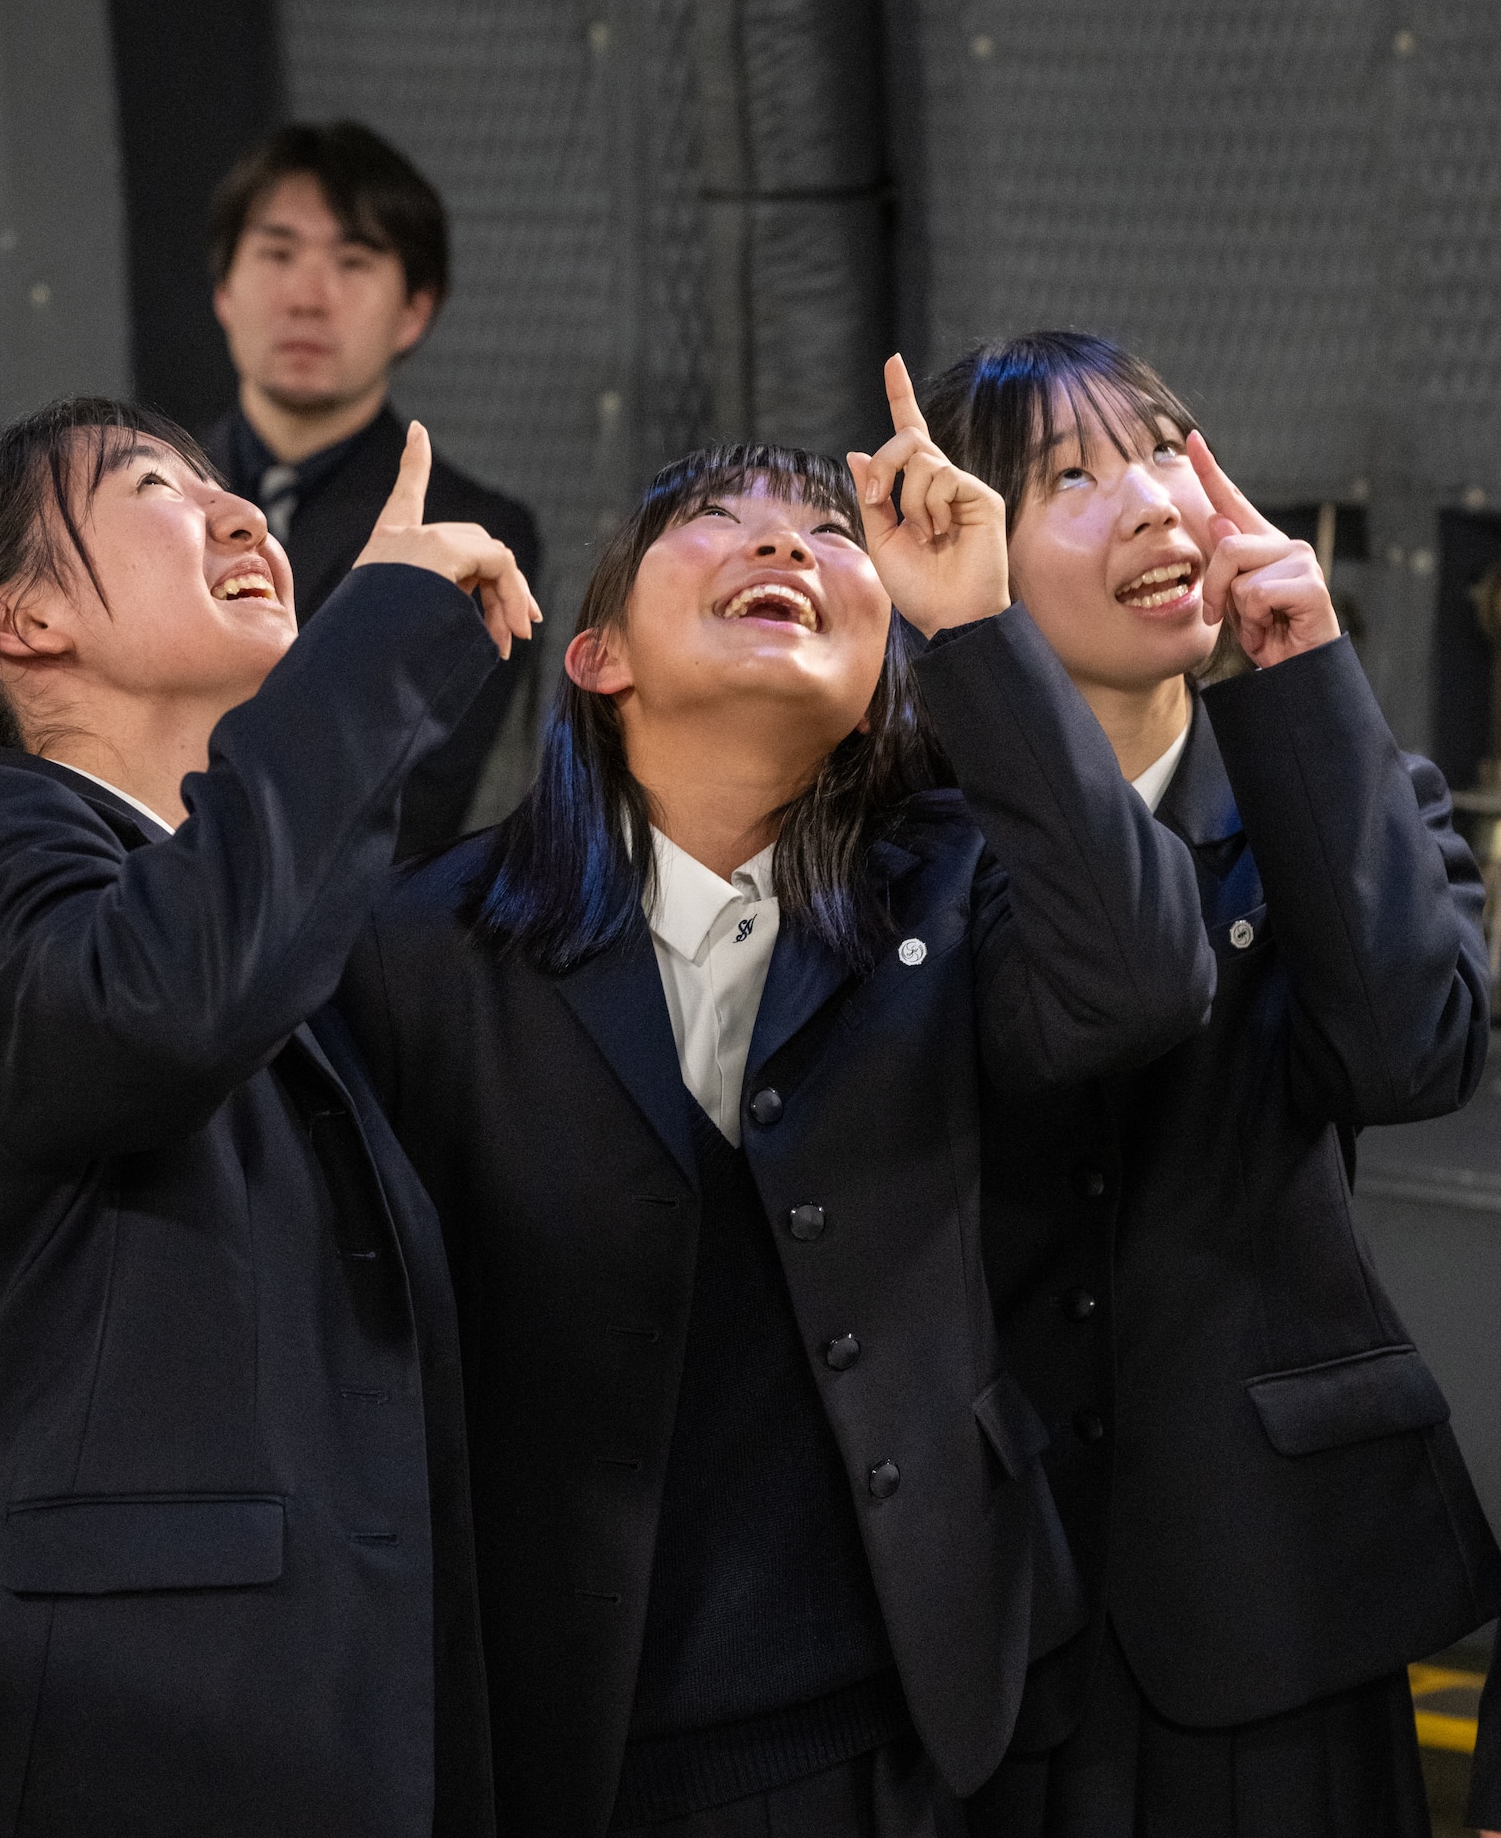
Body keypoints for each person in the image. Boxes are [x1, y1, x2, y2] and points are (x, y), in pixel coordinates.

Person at [334, 357, 1219, 1836]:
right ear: (598, 655)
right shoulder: (427, 945)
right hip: (557, 1732)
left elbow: (1142, 983)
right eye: (717, 519)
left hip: (906, 1735)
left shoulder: (954, 884)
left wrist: (983, 631)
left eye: (826, 534)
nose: (783, 545)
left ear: (882, 683)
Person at [0, 396, 536, 1835]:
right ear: (16, 623)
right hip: (130, 1721)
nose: (244, 515)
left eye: (226, 489)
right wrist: (376, 636)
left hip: (296, 1704)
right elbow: (144, 1013)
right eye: (156, 488)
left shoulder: (248, 898)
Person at [916, 332, 1500, 1837]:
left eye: (1169, 451)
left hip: (1279, 1591)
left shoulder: (1341, 780)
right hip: (987, 1599)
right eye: (1071, 478)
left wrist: (1305, 673)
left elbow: (1414, 1055)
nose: (1156, 504)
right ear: (969, 550)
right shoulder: (906, 839)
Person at [201, 119, 540, 850]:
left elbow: (408, 803)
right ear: (225, 289)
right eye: (276, 253)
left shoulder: (469, 536)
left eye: (353, 262)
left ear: (414, 312)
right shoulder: (140, 500)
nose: (307, 297)